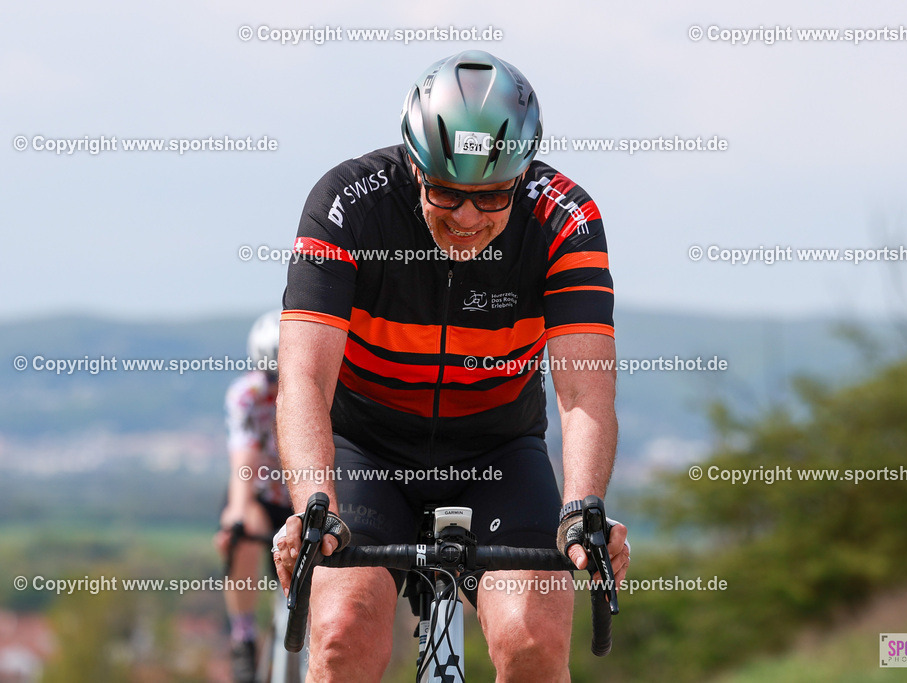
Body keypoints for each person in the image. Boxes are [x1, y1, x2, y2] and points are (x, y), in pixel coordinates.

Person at [272, 50, 630, 682]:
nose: (467, 218)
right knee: (341, 631)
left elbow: (583, 391)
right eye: (446, 192)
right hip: (368, 448)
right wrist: (314, 501)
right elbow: (303, 377)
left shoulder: (564, 219)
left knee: (532, 639)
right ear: (413, 164)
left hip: (498, 450)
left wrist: (583, 506)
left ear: (522, 175)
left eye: (492, 197)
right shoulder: (347, 205)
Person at [214, 310, 292, 683]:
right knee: (243, 535)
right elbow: (243, 461)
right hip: (261, 495)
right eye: (270, 376)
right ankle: (244, 638)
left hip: (303, 498)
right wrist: (237, 516)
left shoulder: (326, 386)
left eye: (283, 376)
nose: (276, 385)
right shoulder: (247, 395)